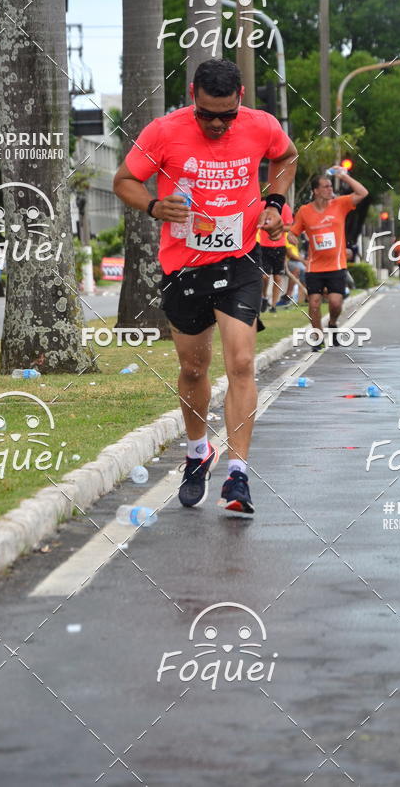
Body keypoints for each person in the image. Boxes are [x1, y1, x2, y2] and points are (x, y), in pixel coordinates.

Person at [113, 59, 297, 515]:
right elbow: (124, 181)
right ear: (193, 94)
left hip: (240, 261)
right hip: (183, 267)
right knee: (194, 369)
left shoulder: (262, 126)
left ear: (240, 100)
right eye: (207, 114)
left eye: (226, 115)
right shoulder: (163, 131)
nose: (216, 123)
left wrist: (274, 201)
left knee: (241, 361)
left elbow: (287, 156)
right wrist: (155, 206)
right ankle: (198, 453)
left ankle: (239, 475)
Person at [289, 168, 368, 351]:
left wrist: (343, 176)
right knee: (314, 303)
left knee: (335, 302)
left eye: (331, 186)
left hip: (336, 265)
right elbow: (293, 232)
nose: (329, 189)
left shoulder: (340, 204)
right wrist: (292, 237)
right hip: (315, 266)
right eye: (325, 186)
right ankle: (317, 336)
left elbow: (363, 193)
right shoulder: (304, 211)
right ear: (315, 191)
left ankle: (332, 323)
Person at [258, 200, 293, 313]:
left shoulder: (285, 207)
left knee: (278, 277)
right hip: (264, 246)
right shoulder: (262, 205)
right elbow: (256, 223)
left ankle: (273, 305)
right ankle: (264, 297)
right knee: (265, 276)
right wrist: (263, 226)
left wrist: (276, 228)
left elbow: (289, 226)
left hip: (279, 246)